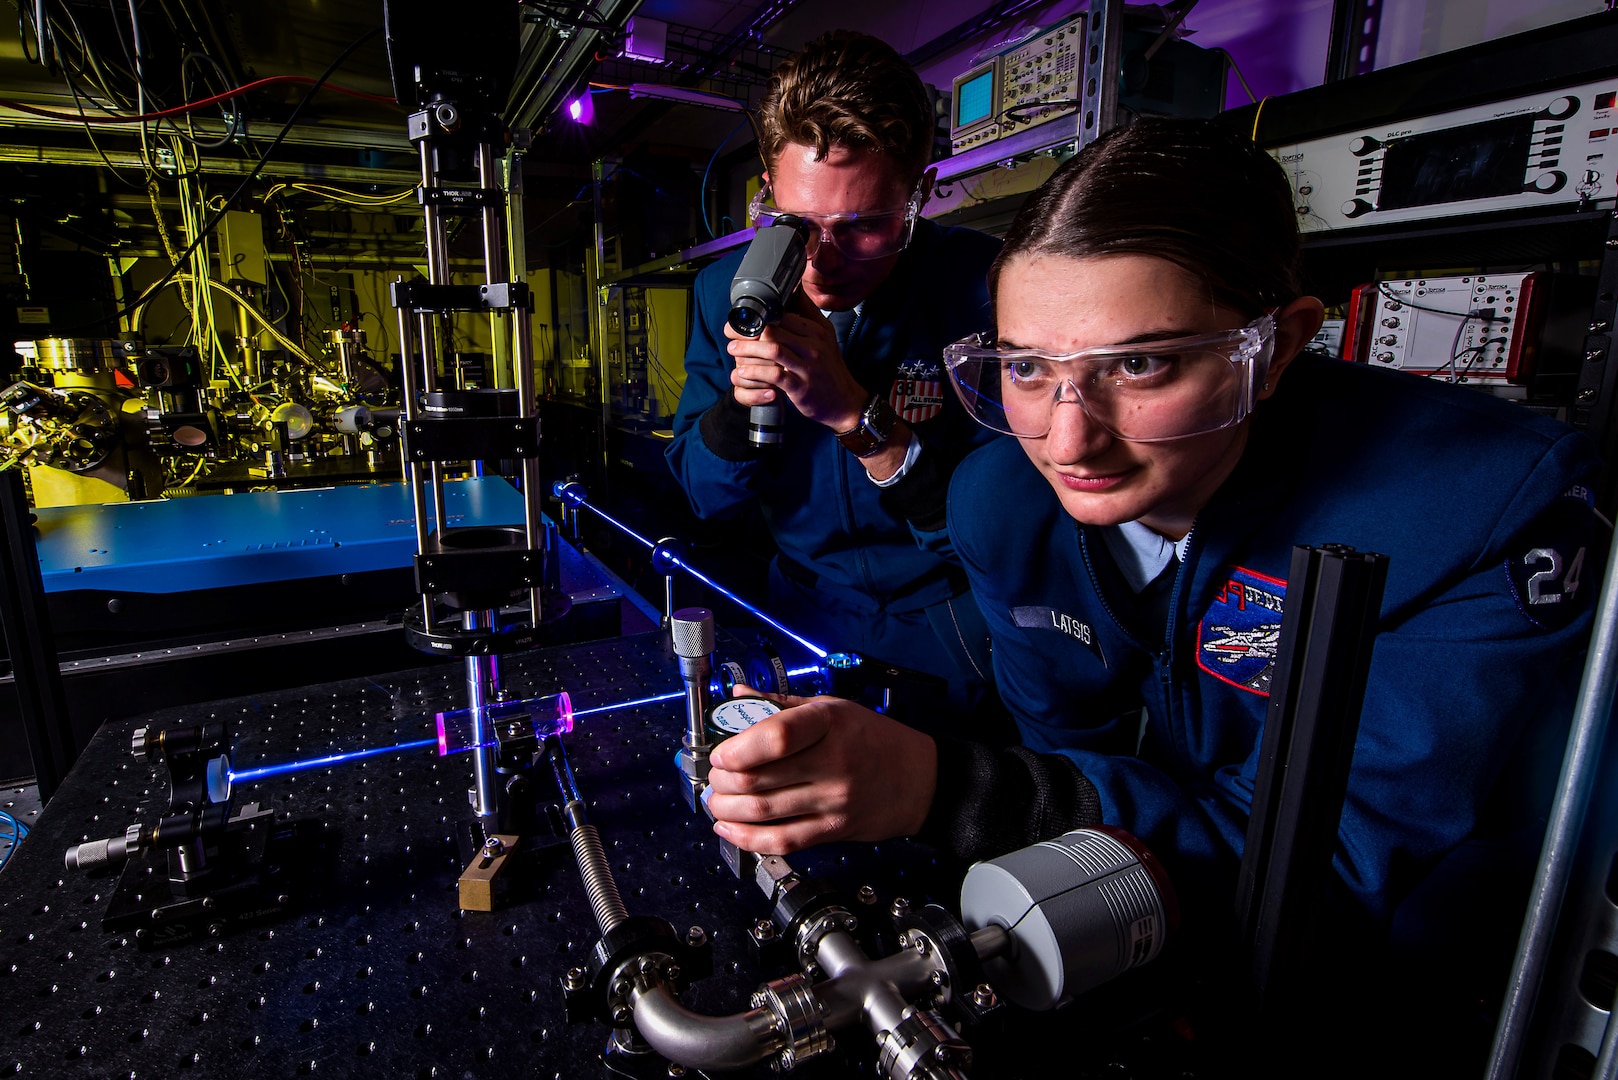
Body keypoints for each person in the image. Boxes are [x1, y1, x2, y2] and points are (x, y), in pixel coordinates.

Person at [703, 117, 1604, 1066]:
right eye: (1025, 366)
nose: (1068, 439)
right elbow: (1063, 760)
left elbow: (1332, 867)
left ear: (1282, 344)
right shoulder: (1003, 500)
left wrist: (943, 786)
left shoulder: (1481, 511)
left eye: (1140, 364)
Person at [665, 31, 1002, 720]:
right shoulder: (722, 290)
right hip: (799, 609)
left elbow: (996, 534)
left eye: (865, 226)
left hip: (946, 622)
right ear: (767, 189)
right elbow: (705, 497)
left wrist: (855, 414)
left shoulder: (989, 288)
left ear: (921, 193)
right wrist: (742, 402)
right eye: (797, 223)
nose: (821, 259)